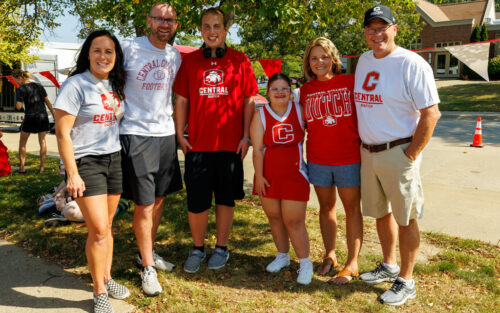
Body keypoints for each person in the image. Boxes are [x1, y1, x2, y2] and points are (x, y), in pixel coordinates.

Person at [354, 5, 441, 306]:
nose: (376, 34)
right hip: (369, 152)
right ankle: (389, 265)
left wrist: (411, 154)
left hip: (399, 151)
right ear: (364, 32)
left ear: (394, 29)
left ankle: (407, 280)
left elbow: (431, 114)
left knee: (407, 218)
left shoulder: (412, 63)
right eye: (371, 28)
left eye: (382, 27)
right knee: (381, 213)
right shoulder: (364, 61)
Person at [173, 7, 258, 274]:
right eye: (206, 26)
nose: (212, 31)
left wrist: (246, 136)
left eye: (216, 26)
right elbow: (182, 100)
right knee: (197, 201)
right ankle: (198, 248)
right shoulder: (190, 62)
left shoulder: (240, 60)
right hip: (198, 145)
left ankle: (221, 247)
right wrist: (179, 134)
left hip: (230, 145)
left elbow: (249, 101)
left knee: (225, 199)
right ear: (201, 30)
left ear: (225, 30)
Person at [54, 29, 129, 313]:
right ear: (88, 53)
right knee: (97, 229)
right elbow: (62, 134)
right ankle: (99, 292)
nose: (103, 56)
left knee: (107, 227)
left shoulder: (115, 84)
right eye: (98, 50)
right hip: (86, 163)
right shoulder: (75, 85)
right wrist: (71, 173)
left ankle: (107, 277)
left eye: (109, 51)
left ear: (115, 57)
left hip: (114, 159)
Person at [119, 2, 183, 296]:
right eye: (158, 18)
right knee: (143, 204)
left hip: (165, 133)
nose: (164, 24)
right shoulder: (128, 47)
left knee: (158, 200)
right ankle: (147, 268)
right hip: (135, 133)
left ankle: (147, 252)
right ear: (149, 21)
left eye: (169, 19)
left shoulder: (175, 55)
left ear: (176, 24)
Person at [300, 37, 363, 284]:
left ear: (333, 58)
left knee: (351, 210)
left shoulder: (350, 82)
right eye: (314, 58)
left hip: (348, 157)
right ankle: (330, 255)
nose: (320, 62)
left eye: (324, 57)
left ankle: (353, 262)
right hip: (318, 159)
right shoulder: (305, 90)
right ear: (308, 62)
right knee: (326, 208)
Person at [250, 73, 313, 285]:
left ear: (290, 90)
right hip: (268, 175)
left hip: (295, 174)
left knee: (294, 221)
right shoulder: (261, 115)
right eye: (275, 89)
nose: (280, 92)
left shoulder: (299, 109)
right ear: (267, 92)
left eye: (284, 88)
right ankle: (283, 256)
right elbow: (257, 149)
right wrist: (259, 176)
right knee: (275, 218)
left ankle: (305, 263)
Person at [13, 69, 55, 173]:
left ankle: (22, 168)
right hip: (42, 116)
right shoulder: (39, 86)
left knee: (22, 143)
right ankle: (41, 168)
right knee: (43, 142)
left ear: (19, 78)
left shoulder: (21, 88)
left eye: (16, 80)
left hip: (30, 116)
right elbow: (48, 102)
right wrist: (54, 115)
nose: (16, 83)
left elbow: (18, 107)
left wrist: (19, 104)